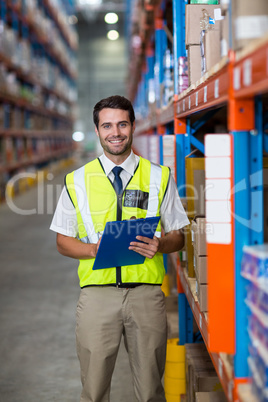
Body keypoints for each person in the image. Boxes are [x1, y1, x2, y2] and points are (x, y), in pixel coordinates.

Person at [50, 95, 189, 402]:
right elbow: (62, 240)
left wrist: (160, 243)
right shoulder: (77, 181)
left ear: (133, 127)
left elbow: (178, 236)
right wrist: (92, 250)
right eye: (108, 125)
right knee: (94, 390)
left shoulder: (159, 176)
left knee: (151, 390)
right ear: (97, 131)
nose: (116, 132)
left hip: (146, 295)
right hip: (97, 296)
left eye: (122, 124)